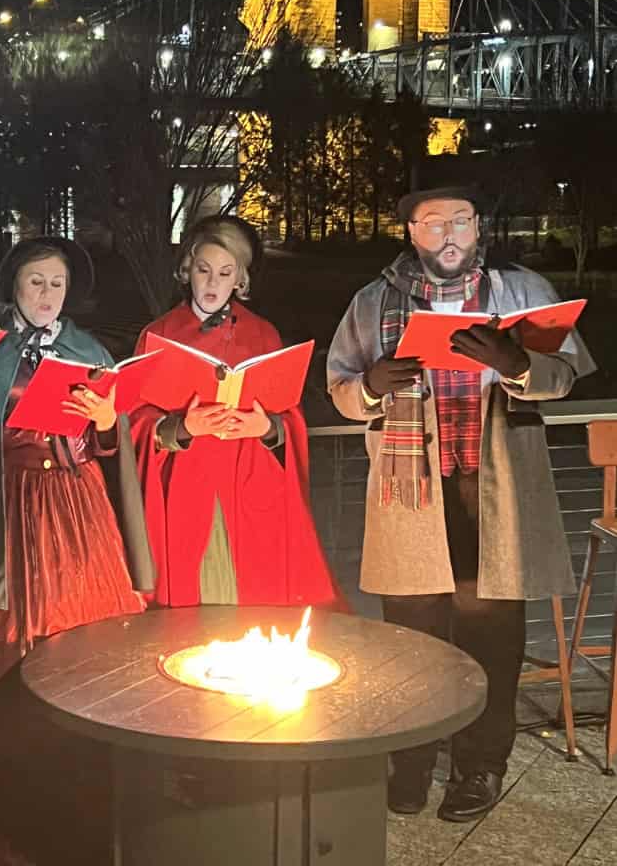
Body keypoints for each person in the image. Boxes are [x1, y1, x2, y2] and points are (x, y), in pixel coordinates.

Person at [326, 182, 595, 823]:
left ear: (478, 227)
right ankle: (411, 761)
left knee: (491, 634)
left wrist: (517, 362)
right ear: (411, 232)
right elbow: (338, 385)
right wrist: (368, 385)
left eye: (461, 220)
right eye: (432, 223)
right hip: (410, 486)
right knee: (411, 634)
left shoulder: (521, 292)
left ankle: (480, 765)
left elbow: (568, 374)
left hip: (492, 483)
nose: (449, 234)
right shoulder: (373, 302)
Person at [0, 236, 154, 865]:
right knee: (3, 661)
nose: (46, 295)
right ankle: (7, 801)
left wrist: (102, 420)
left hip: (76, 510)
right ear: (13, 285)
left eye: (57, 285)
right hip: (5, 508)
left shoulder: (89, 351)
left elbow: (110, 444)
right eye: (36, 282)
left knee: (82, 657)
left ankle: (76, 797)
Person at [129, 215, 341, 609]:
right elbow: (135, 421)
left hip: (250, 484)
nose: (212, 283)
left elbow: (288, 416)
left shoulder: (264, 334)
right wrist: (180, 427)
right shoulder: (158, 334)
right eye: (203, 270)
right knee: (192, 607)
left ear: (239, 281)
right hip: (185, 488)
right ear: (187, 271)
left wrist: (267, 426)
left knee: (256, 603)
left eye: (224, 273)